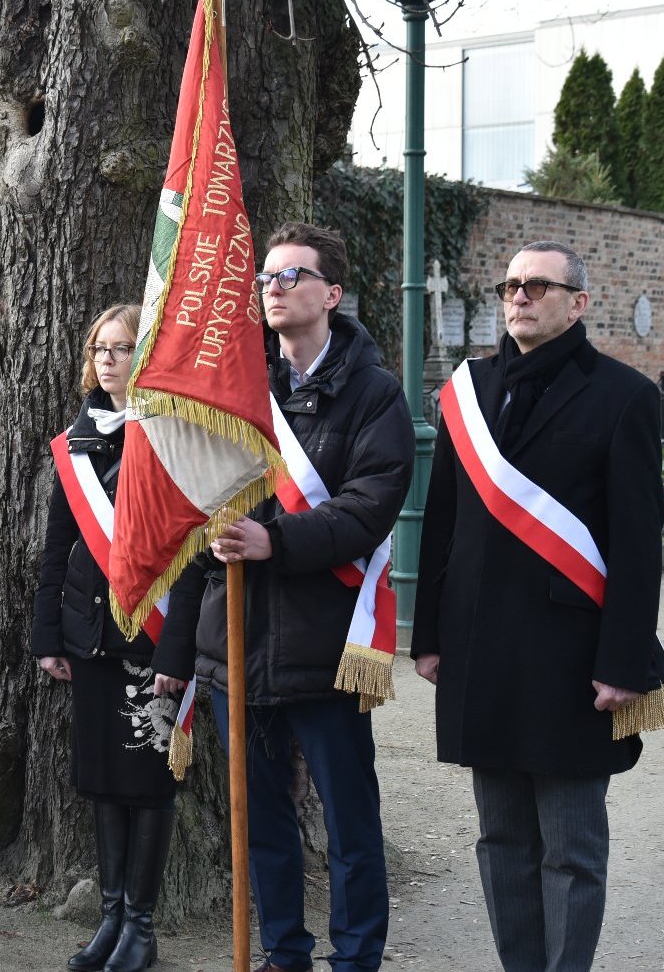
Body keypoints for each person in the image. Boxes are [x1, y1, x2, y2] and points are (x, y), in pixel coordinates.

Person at [412, 240, 664, 972]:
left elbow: (636, 543)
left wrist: (624, 663)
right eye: (510, 285)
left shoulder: (624, 396)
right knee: (500, 839)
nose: (520, 297)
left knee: (571, 847)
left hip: (572, 658)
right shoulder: (467, 391)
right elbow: (443, 521)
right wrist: (429, 637)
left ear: (579, 303)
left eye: (537, 285)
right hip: (479, 651)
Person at [158, 222, 413, 972]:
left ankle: (357, 957)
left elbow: (372, 502)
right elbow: (199, 512)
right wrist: (180, 652)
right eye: (266, 278)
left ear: (332, 293)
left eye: (291, 276)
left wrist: (281, 542)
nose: (274, 289)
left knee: (348, 818)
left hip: (324, 644)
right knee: (259, 817)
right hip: (235, 639)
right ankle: (284, 953)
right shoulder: (240, 391)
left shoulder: (374, 393)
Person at [32, 303, 194, 972]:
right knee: (101, 781)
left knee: (148, 784)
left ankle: (143, 928)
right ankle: (111, 917)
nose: (107, 359)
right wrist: (48, 633)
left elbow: (193, 556)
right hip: (88, 637)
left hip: (151, 641)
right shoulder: (79, 438)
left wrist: (178, 648)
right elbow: (56, 547)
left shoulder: (173, 436)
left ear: (147, 356)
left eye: (123, 348)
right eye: (100, 348)